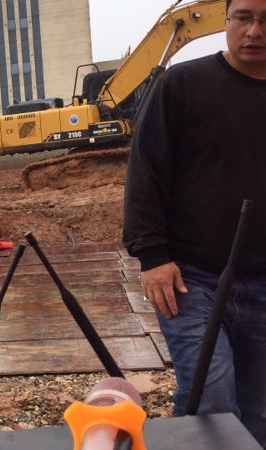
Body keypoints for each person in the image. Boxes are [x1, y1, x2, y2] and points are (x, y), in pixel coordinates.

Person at [123, 0, 266, 445]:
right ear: (226, 20)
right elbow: (145, 172)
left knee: (260, 408)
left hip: (263, 280)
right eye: (244, 17)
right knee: (212, 395)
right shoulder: (182, 85)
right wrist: (153, 257)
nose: (255, 31)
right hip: (190, 278)